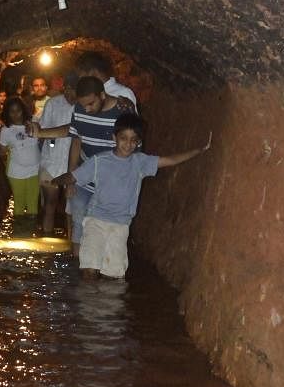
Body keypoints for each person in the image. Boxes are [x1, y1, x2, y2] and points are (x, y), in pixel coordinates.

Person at [54, 113, 212, 279]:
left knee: (113, 275)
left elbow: (170, 160)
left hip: (121, 225)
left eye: (133, 140)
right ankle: (88, 304)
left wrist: (199, 150)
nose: (128, 144)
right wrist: (57, 181)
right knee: (89, 270)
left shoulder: (140, 162)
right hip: (96, 221)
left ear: (138, 142)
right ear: (115, 137)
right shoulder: (99, 161)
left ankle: (105, 304)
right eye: (124, 138)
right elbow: (74, 176)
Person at [29, 74, 121, 254]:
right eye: (83, 104)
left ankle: (98, 265)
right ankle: (75, 262)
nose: (87, 109)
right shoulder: (75, 107)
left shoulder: (122, 110)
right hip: (80, 174)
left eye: (91, 104)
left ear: (102, 95)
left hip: (108, 180)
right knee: (75, 220)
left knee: (100, 224)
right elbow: (75, 135)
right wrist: (72, 175)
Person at [37, 72, 77, 235]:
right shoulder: (53, 103)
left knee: (72, 207)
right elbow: (43, 129)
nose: (69, 93)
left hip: (74, 164)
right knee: (50, 203)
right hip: (52, 161)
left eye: (73, 89)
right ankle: (47, 237)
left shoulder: (84, 105)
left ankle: (71, 245)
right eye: (67, 88)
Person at [0, 96, 41, 217]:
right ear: (7, 113)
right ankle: (19, 233)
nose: (16, 114)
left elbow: (47, 140)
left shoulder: (35, 121)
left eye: (18, 110)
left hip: (35, 170)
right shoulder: (6, 130)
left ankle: (31, 232)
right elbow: (2, 151)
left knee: (33, 203)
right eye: (12, 111)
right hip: (16, 172)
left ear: (23, 109)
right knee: (19, 204)